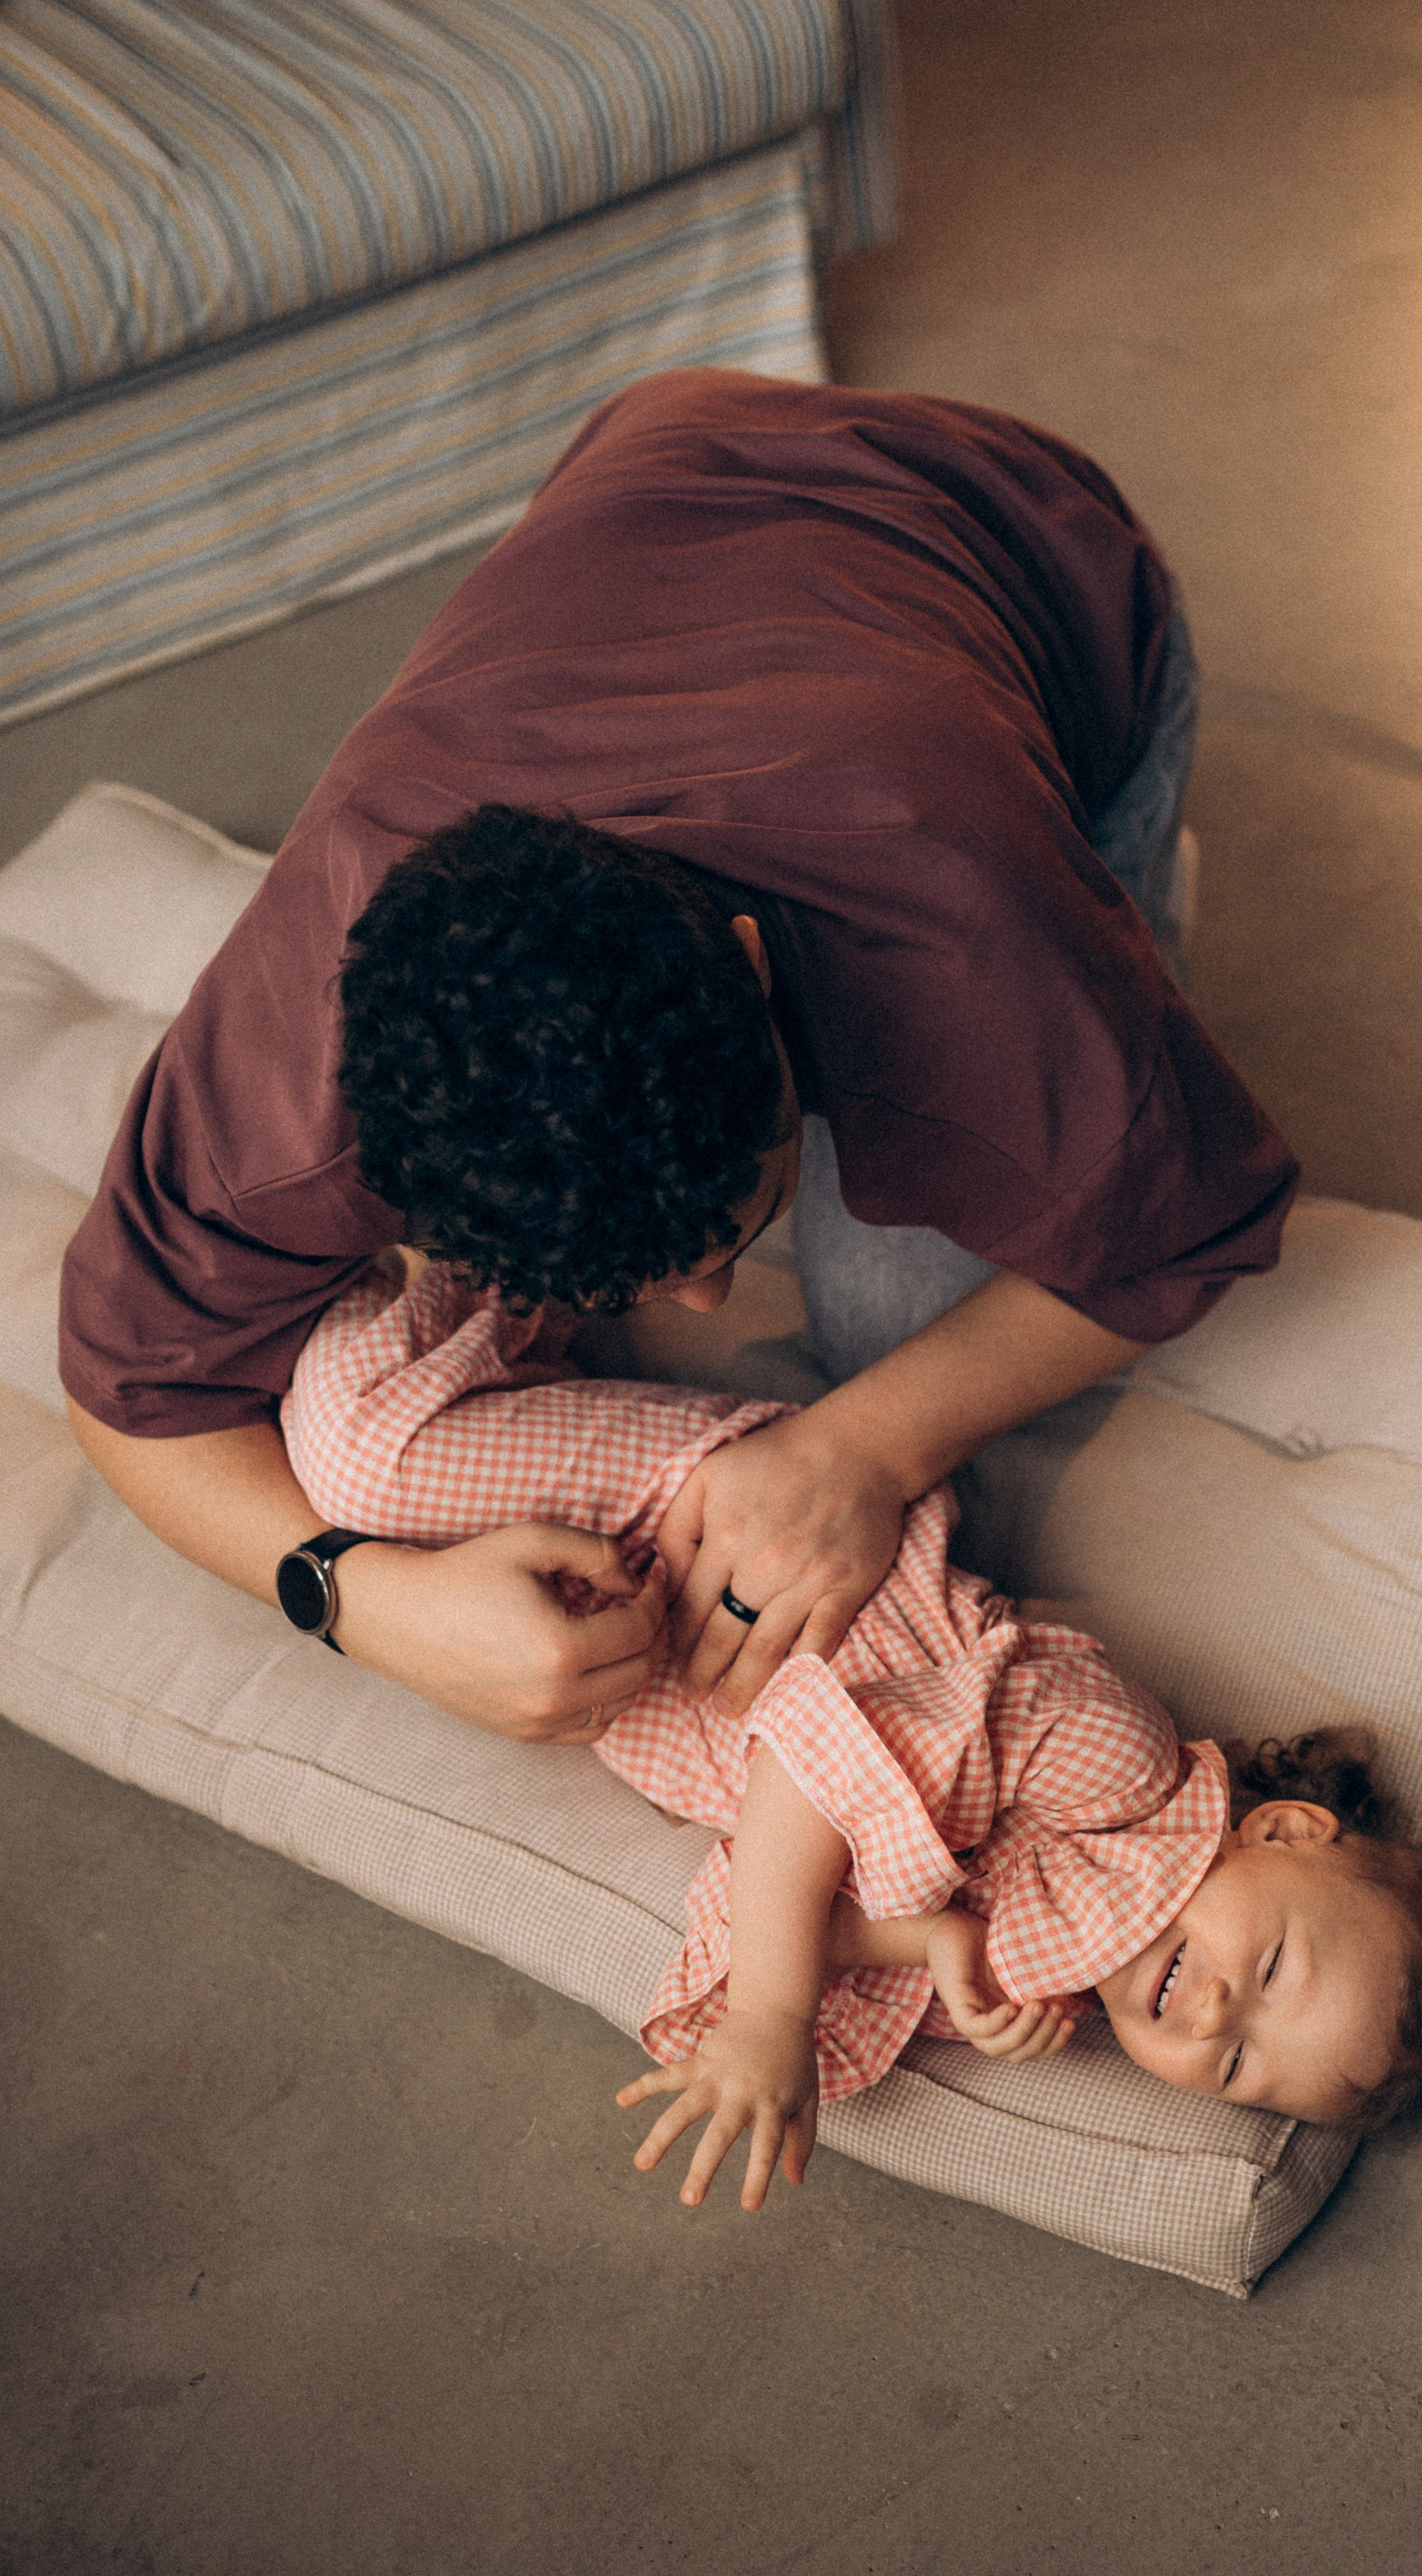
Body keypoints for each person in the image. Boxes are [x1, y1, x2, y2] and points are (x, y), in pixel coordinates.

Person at [59, 369, 1298, 1743]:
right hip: (665, 453)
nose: (710, 1303)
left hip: (1037, 547)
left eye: (729, 1228)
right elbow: (129, 1394)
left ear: (759, 968)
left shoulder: (969, 925)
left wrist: (867, 1444)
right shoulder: (299, 1051)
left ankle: (1128, 896)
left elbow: (1200, 1224)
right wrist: (366, 1605)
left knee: (894, 1323)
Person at [281, 1254, 1422, 2210]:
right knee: (365, 1468)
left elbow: (794, 1903)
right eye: (1275, 1968)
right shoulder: (1117, 1762)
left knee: (398, 1535)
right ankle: (459, 1257)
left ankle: (512, 1354)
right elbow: (814, 1767)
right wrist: (769, 2015)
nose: (1222, 2012)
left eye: (1237, 2069)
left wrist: (929, 1948)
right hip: (708, 1529)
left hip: (630, 1645)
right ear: (1280, 1827)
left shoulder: (1034, 1981)